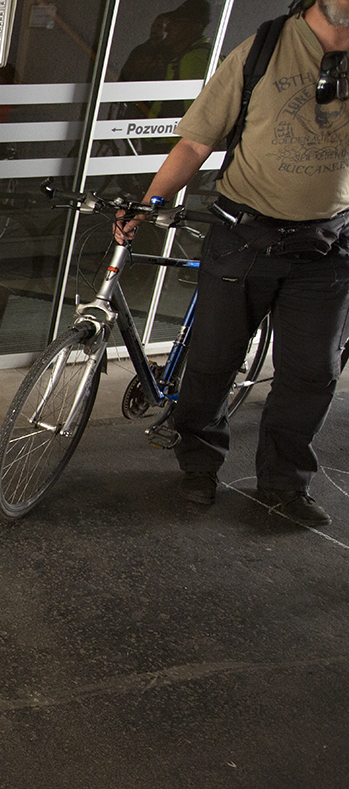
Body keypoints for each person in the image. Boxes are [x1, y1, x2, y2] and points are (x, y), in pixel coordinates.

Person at [117, 0, 349, 527]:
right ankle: (198, 464)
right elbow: (197, 141)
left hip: (327, 248)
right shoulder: (262, 49)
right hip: (242, 239)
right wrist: (148, 203)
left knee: (313, 374)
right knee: (212, 362)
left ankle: (285, 486)